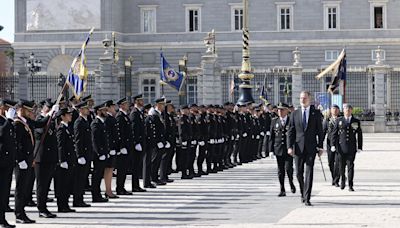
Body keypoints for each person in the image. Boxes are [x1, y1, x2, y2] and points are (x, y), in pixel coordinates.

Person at [287, 91, 324, 206]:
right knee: (298, 173)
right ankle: (303, 191)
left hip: (311, 147)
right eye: (301, 98)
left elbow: (320, 131)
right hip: (298, 147)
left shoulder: (316, 113)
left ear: (309, 99)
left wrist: (320, 146)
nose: (302, 100)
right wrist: (289, 146)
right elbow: (291, 131)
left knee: (309, 172)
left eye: (305, 98)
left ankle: (307, 197)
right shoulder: (295, 114)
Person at [33, 99, 58, 218]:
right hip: (41, 157)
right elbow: (40, 132)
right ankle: (41, 208)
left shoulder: (51, 120)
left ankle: (44, 207)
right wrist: (48, 116)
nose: (49, 110)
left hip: (50, 157)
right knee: (41, 185)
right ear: (43, 108)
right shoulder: (38, 119)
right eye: (48, 108)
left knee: (47, 184)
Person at [332, 104, 363, 191]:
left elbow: (359, 134)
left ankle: (350, 184)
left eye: (349, 110)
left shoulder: (355, 121)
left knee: (350, 166)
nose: (347, 111)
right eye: (346, 110)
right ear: (343, 111)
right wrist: (333, 145)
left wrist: (360, 146)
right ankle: (342, 180)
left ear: (351, 111)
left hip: (351, 148)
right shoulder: (339, 120)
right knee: (341, 166)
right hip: (341, 148)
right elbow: (334, 134)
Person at [268, 103, 296, 197]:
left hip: (289, 149)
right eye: (278, 110)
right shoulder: (274, 121)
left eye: (282, 109)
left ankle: (291, 183)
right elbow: (271, 137)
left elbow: (294, 136)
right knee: (280, 171)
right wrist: (270, 150)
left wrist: (294, 147)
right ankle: (282, 189)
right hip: (278, 149)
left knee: (289, 169)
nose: (280, 111)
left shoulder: (291, 121)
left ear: (287, 110)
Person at [55, 108, 76, 213]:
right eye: (68, 114)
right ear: (62, 116)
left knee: (67, 184)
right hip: (64, 161)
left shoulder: (67, 127)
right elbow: (60, 146)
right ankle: (61, 205)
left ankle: (65, 204)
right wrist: (61, 160)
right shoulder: (61, 128)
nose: (70, 116)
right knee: (62, 184)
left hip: (69, 160)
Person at [0, 99, 17, 228]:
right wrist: (9, 121)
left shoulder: (6, 121)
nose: (10, 111)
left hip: (7, 162)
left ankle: (2, 219)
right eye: (8, 109)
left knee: (4, 192)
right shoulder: (4, 121)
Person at [72, 101, 92, 208]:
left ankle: (80, 198)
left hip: (86, 153)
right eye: (85, 108)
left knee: (83, 178)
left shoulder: (85, 121)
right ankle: (77, 200)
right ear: (80, 110)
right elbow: (78, 140)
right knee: (79, 179)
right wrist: (79, 155)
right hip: (82, 154)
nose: (88, 110)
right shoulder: (79, 122)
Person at [90, 102, 109, 203]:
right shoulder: (95, 123)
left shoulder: (101, 122)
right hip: (98, 155)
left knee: (99, 175)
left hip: (103, 153)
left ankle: (98, 194)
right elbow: (95, 141)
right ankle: (95, 195)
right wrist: (99, 153)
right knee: (96, 175)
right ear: (98, 111)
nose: (106, 112)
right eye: (104, 110)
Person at [322, 105, 341, 187]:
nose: (335, 110)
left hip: (339, 143)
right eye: (333, 109)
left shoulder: (341, 119)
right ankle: (334, 177)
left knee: (337, 162)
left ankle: (336, 180)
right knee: (330, 162)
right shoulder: (327, 120)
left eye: (336, 109)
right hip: (330, 143)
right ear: (330, 110)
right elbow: (323, 132)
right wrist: (319, 145)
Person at [103, 100, 119, 198]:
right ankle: (108, 190)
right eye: (112, 107)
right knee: (108, 169)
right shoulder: (108, 119)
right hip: (110, 148)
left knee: (111, 169)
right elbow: (108, 135)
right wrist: (110, 148)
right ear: (108, 108)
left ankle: (109, 190)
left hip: (113, 148)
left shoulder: (111, 118)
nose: (114, 108)